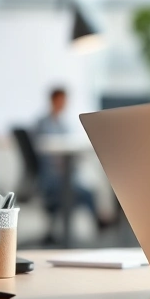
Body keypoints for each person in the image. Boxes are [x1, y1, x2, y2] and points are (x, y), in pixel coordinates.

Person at [34, 87, 104, 231]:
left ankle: (100, 224)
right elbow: (46, 155)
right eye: (60, 100)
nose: (62, 104)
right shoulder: (43, 124)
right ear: (52, 101)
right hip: (52, 178)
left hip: (65, 175)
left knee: (90, 188)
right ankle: (99, 225)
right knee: (87, 193)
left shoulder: (63, 124)